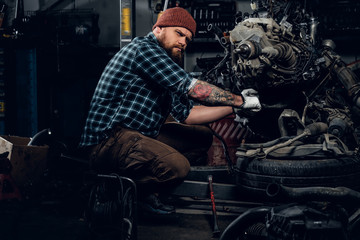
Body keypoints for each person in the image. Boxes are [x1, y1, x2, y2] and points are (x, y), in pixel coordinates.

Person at [79, 7, 261, 214]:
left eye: (188, 39)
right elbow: (191, 88)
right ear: (158, 29)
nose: (184, 42)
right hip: (108, 141)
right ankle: (115, 190)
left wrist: (234, 109)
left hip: (134, 137)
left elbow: (188, 115)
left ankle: (147, 189)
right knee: (178, 167)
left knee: (201, 137)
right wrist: (240, 100)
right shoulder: (144, 49)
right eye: (179, 33)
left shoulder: (164, 65)